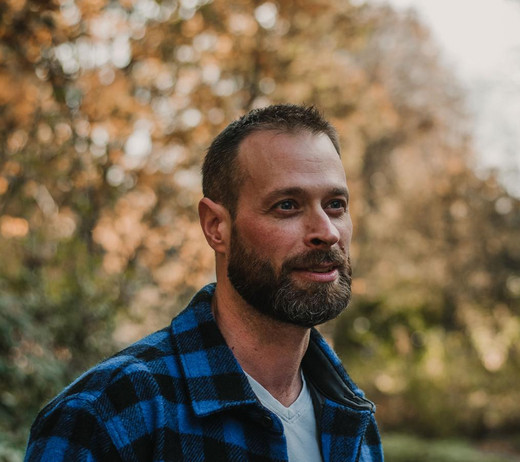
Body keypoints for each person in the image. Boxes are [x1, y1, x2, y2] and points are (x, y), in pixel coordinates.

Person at [25, 104, 383, 462]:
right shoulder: (105, 416)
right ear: (216, 227)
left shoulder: (353, 420)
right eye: (287, 205)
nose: (327, 232)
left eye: (336, 204)